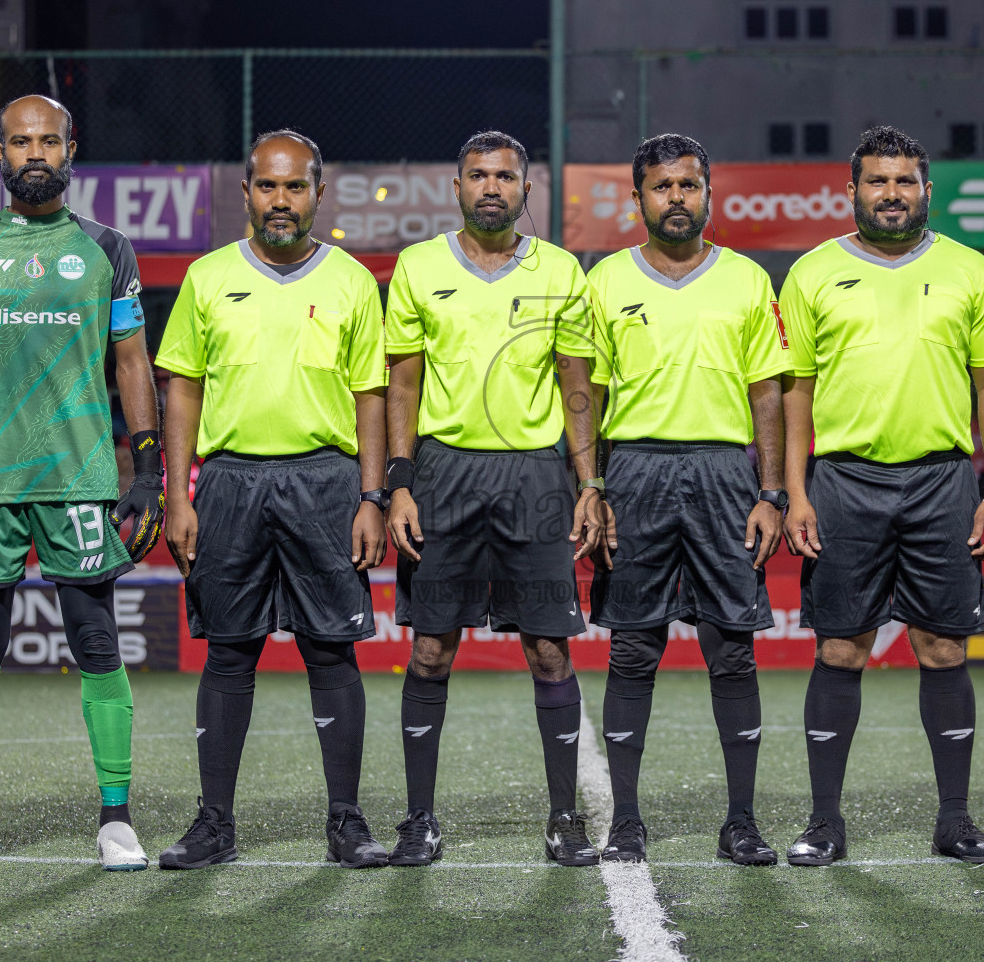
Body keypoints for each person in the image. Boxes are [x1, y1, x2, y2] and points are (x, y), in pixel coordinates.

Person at [0, 94, 163, 875]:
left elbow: (131, 363)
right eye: (21, 141)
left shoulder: (108, 249)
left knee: (96, 644)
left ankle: (116, 819)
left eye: (49, 139)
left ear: (72, 148)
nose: (36, 152)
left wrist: (147, 468)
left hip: (78, 480)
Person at [778, 125, 984, 866]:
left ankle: (954, 820)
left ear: (926, 190)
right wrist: (794, 490)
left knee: (942, 645)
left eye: (904, 181)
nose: (891, 194)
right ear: (851, 191)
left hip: (944, 480)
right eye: (877, 182)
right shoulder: (813, 272)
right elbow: (794, 393)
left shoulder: (970, 270)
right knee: (841, 646)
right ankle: (824, 824)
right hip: (844, 481)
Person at [155, 130, 390, 870]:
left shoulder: (352, 279)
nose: (280, 201)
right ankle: (214, 824)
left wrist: (372, 497)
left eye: (294, 187)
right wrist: (178, 493)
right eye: (266, 186)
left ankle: (346, 823)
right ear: (247, 192)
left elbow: (371, 395)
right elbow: (183, 387)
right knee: (229, 652)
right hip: (228, 482)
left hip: (326, 480)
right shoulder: (206, 277)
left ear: (319, 193)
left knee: (331, 649)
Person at [384, 131, 607, 867]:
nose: (491, 187)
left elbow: (577, 385)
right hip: (444, 475)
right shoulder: (418, 268)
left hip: (535, 479)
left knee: (548, 650)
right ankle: (420, 821)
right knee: (430, 651)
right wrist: (401, 482)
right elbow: (404, 386)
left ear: (526, 190)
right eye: (477, 174)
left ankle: (564, 820)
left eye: (504, 176)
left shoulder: (562, 271)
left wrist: (588, 484)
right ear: (456, 187)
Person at [585, 134, 787, 865]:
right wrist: (593, 487)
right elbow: (588, 397)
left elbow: (769, 393)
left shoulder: (745, 280)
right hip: (634, 469)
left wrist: (771, 491)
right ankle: (627, 821)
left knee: (731, 650)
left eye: (689, 185)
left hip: (723, 475)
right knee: (633, 648)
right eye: (663, 186)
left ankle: (741, 822)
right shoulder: (604, 281)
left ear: (709, 194)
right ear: (638, 198)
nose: (678, 198)